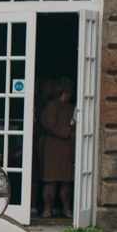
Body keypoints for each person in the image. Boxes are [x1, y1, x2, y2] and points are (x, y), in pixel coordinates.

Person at [39, 78, 76, 220]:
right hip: (52, 150)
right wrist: (68, 131)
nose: (72, 93)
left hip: (66, 150)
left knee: (66, 180)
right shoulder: (53, 105)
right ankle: (47, 209)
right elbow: (49, 124)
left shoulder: (70, 106)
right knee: (51, 180)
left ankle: (67, 208)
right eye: (70, 90)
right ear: (65, 91)